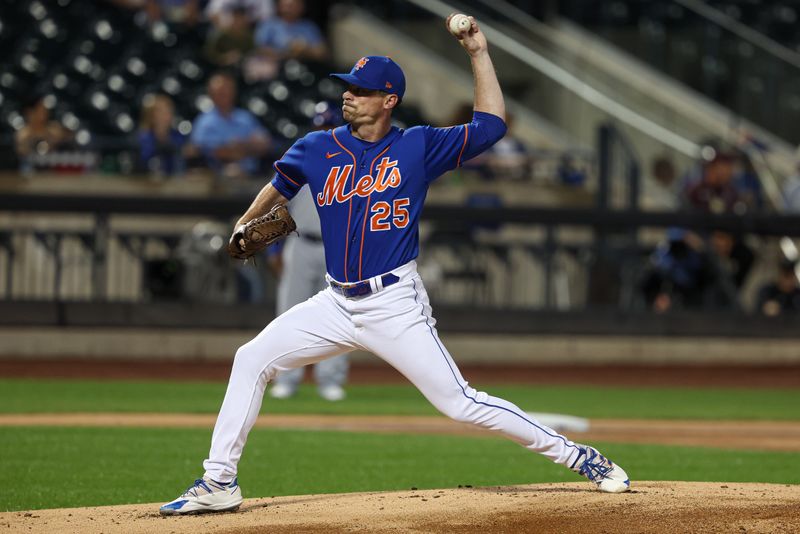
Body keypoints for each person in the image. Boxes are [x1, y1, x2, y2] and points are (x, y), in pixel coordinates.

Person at [160, 15, 630, 516]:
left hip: (394, 303)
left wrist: (477, 52)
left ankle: (582, 458)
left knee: (460, 403)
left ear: (388, 100)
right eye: (347, 87)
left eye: (361, 90)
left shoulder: (417, 145)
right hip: (334, 302)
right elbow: (278, 187)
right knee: (250, 359)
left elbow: (491, 125)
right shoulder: (317, 147)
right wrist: (244, 222)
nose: (349, 96)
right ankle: (219, 482)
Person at [269, 105, 349, 402]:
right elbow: (279, 207)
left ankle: (330, 379)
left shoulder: (351, 163)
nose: (324, 131)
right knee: (289, 314)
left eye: (329, 126)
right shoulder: (299, 158)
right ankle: (287, 379)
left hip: (336, 246)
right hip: (299, 243)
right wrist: (274, 248)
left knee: (339, 315)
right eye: (320, 126)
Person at [185, 71, 271, 178]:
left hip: (250, 177)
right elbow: (201, 151)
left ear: (233, 92)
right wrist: (245, 148)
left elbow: (264, 145)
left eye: (227, 90)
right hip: (217, 180)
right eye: (220, 92)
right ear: (211, 95)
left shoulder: (245, 118)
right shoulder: (204, 122)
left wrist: (237, 148)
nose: (224, 95)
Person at [138, 93, 186, 177]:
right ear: (151, 115)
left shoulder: (177, 137)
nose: (166, 116)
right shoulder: (143, 138)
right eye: (161, 112)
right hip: (145, 185)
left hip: (173, 184)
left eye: (168, 112)